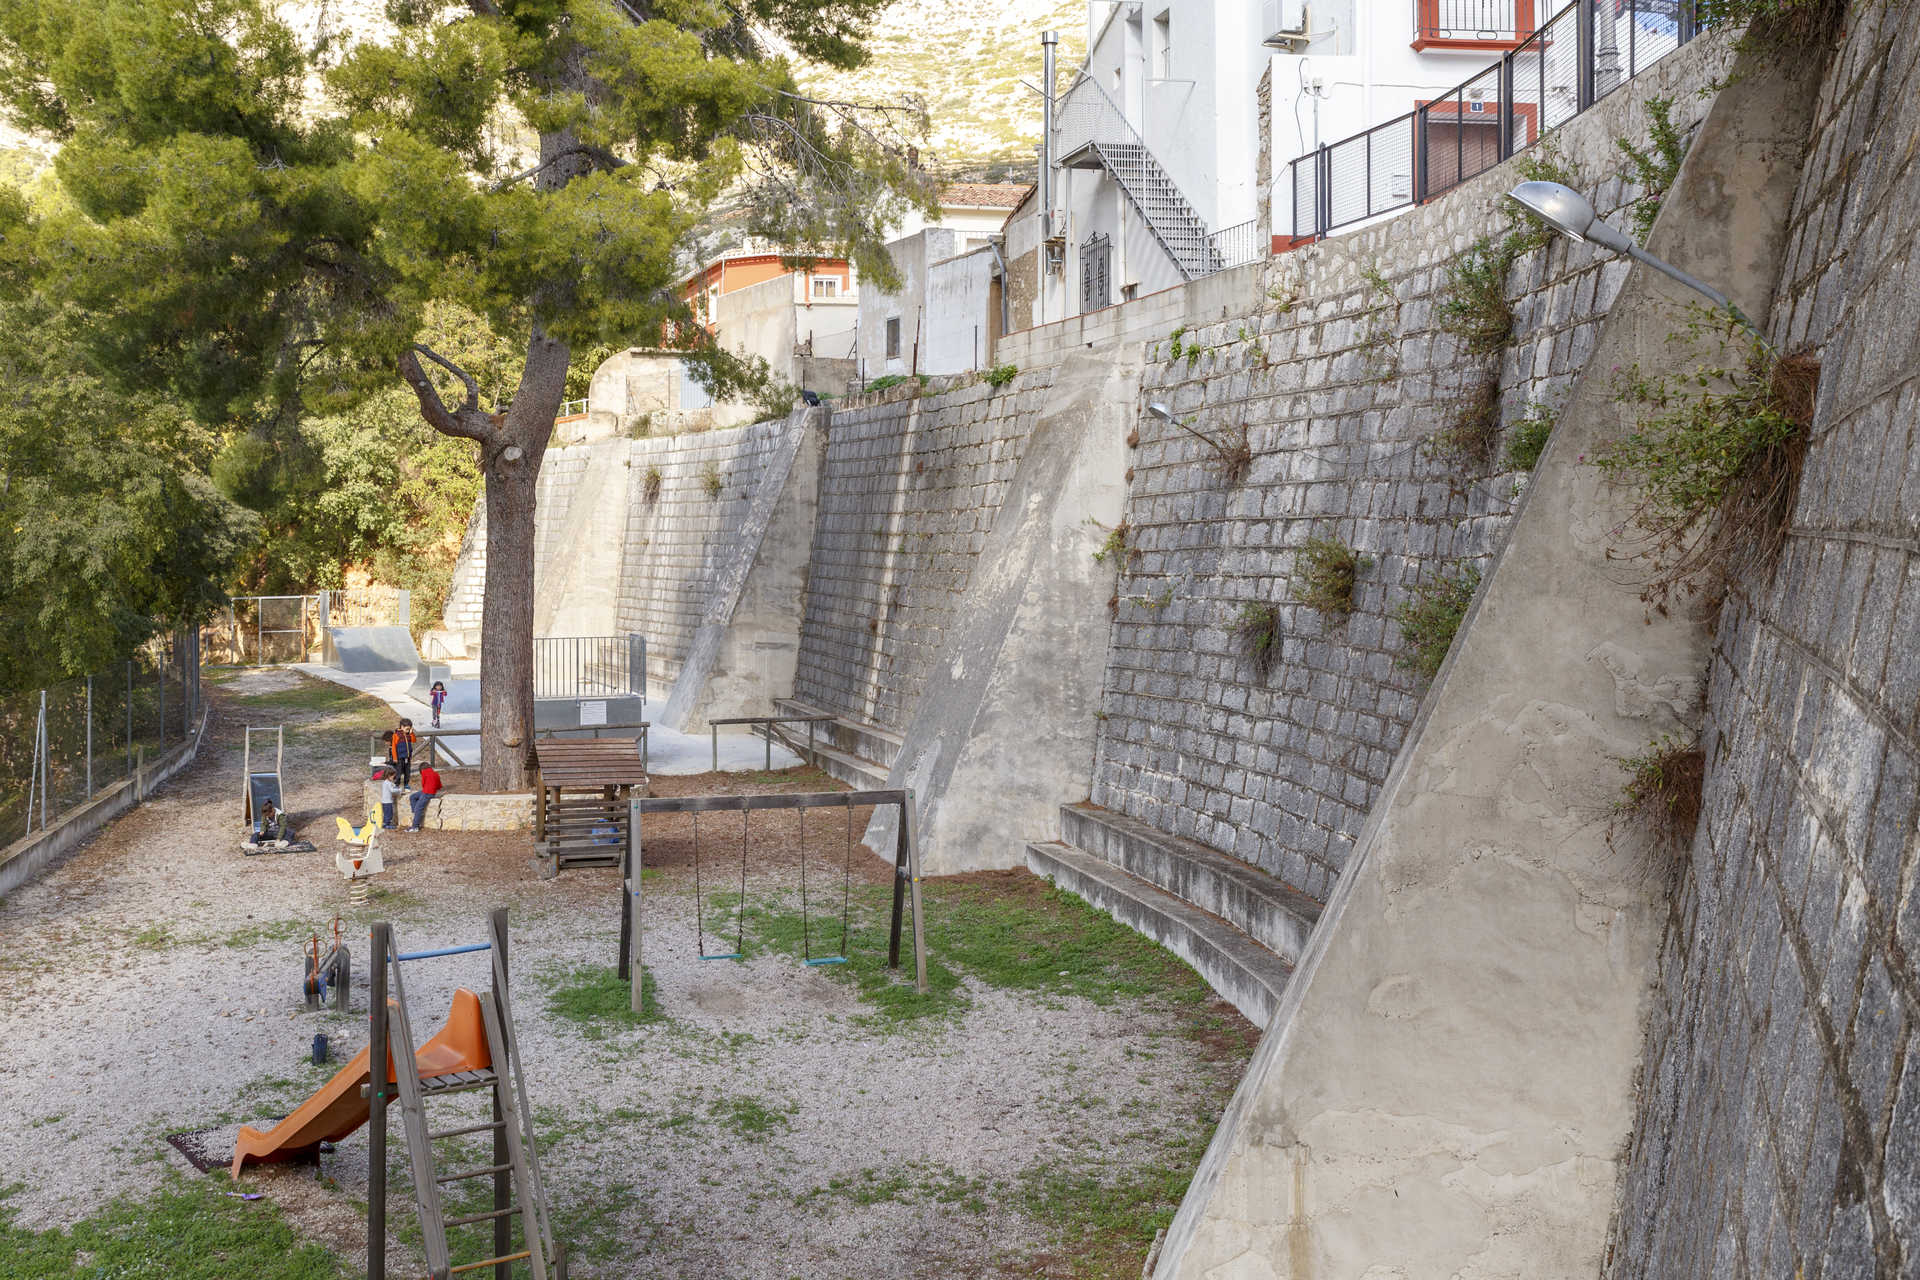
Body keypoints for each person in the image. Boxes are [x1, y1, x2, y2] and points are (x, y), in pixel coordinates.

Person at [384, 719, 419, 787]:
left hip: (407, 757)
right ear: (402, 727)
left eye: (409, 729)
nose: (408, 730)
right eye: (407, 729)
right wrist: (395, 758)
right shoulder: (396, 735)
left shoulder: (409, 734)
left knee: (407, 772)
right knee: (398, 772)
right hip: (399, 757)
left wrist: (411, 733)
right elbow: (393, 747)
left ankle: (406, 784)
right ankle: (397, 784)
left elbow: (414, 740)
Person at [409, 762, 443, 831]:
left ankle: (415, 827)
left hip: (426, 793)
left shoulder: (424, 772)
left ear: (421, 769)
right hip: (430, 792)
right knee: (413, 797)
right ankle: (415, 812)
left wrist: (426, 789)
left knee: (418, 808)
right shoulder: (436, 774)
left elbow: (423, 783)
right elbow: (439, 785)